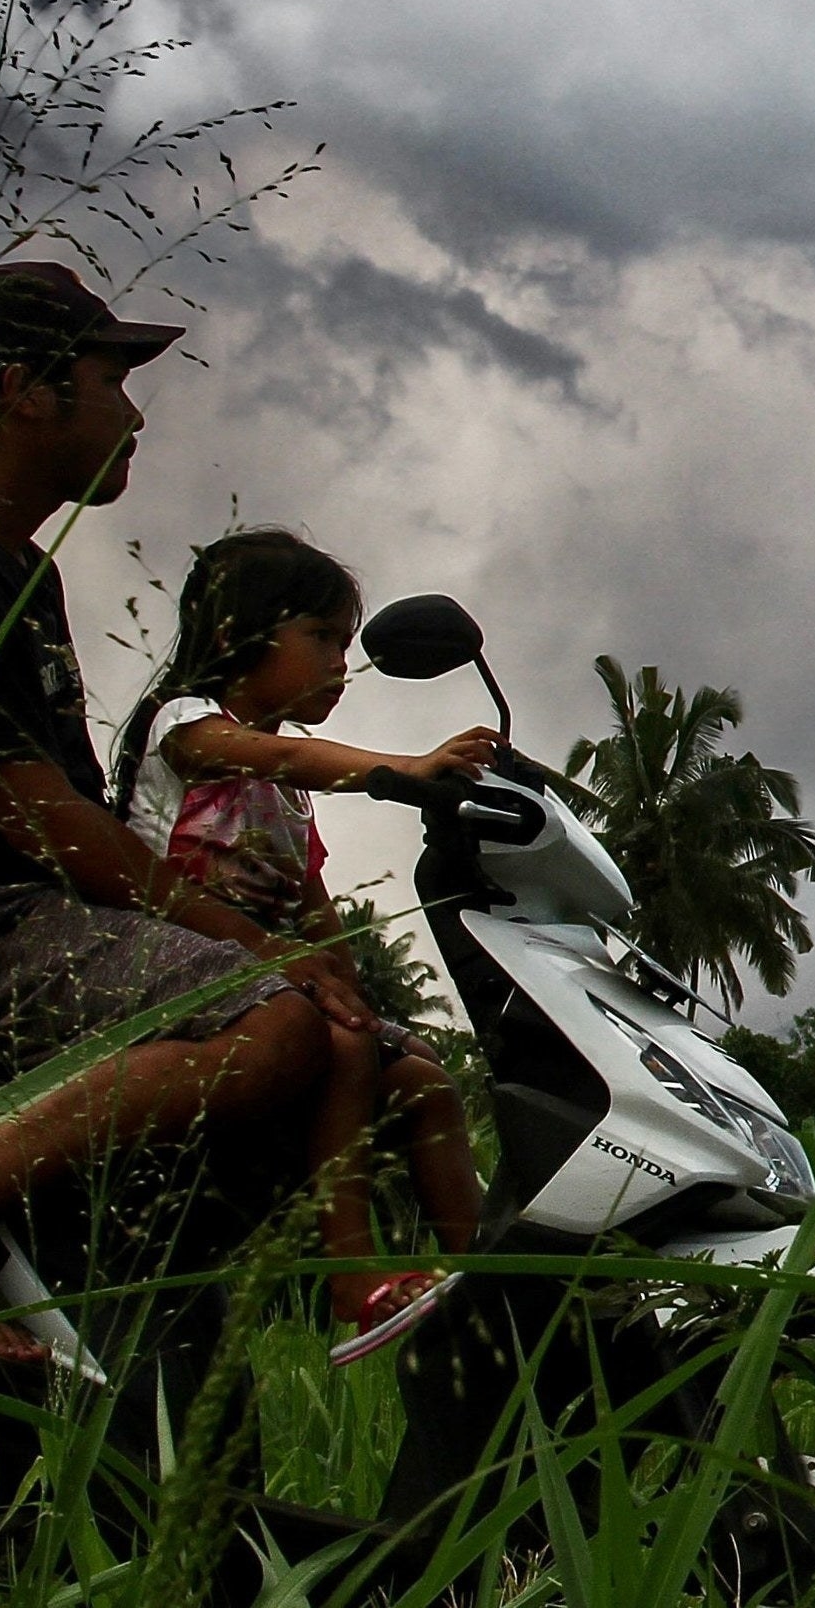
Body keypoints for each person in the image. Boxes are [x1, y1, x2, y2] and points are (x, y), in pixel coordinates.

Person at [0, 262, 364, 1361]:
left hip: (25, 926)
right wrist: (257, 943)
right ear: (27, 389)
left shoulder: (11, 565)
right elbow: (45, 819)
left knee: (365, 1057)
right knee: (277, 1016)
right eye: (110, 379)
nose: (135, 412)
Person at [111, 529, 494, 1325]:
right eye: (320, 637)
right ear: (236, 634)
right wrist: (402, 770)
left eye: (346, 644)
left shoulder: (285, 790)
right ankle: (350, 1273)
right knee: (344, 1042)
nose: (339, 664)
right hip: (169, 965)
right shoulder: (186, 725)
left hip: (270, 979)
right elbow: (269, 756)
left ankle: (492, 1291)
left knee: (425, 1082)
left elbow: (313, 902)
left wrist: (355, 990)